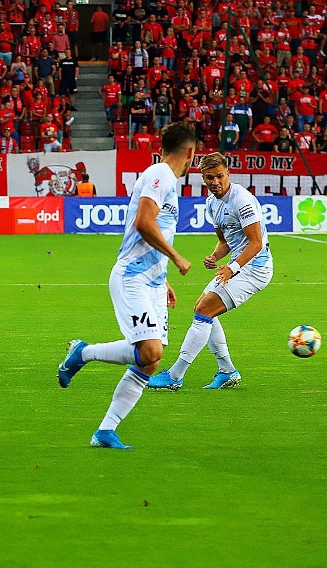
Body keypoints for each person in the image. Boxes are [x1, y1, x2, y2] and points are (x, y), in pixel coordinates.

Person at [57, 122, 196, 450]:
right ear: (190, 152)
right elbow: (144, 223)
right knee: (151, 350)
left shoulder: (165, 179)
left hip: (152, 281)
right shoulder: (160, 174)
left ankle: (105, 431)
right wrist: (176, 257)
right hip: (132, 277)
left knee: (150, 361)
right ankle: (83, 353)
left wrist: (164, 279)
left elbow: (155, 230)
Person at [148, 153, 273, 391]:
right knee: (202, 308)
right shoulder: (211, 202)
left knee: (204, 310)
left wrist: (231, 268)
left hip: (256, 268)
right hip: (237, 266)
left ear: (228, 174)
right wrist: (215, 257)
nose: (215, 181)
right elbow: (225, 241)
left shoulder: (241, 200)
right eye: (209, 177)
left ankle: (175, 377)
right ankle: (227, 371)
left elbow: (255, 243)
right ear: (202, 178)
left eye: (219, 176)